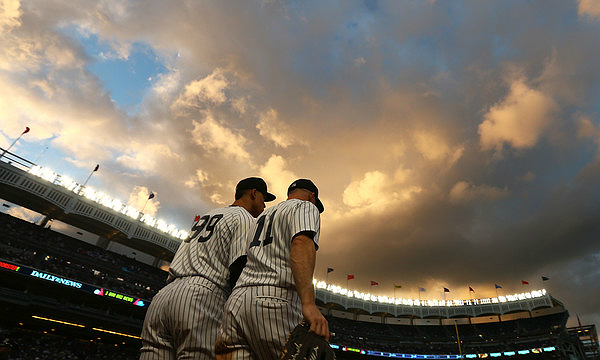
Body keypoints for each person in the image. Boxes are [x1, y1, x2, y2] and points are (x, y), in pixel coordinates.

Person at [140, 177, 276, 360]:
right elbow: (238, 267)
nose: (264, 205)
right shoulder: (245, 218)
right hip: (202, 296)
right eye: (263, 198)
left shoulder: (207, 216)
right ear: (253, 193)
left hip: (163, 297)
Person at [215, 179, 329, 360]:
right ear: (312, 196)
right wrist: (309, 303)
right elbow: (301, 242)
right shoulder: (306, 207)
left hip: (237, 303)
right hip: (275, 301)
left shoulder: (261, 216)